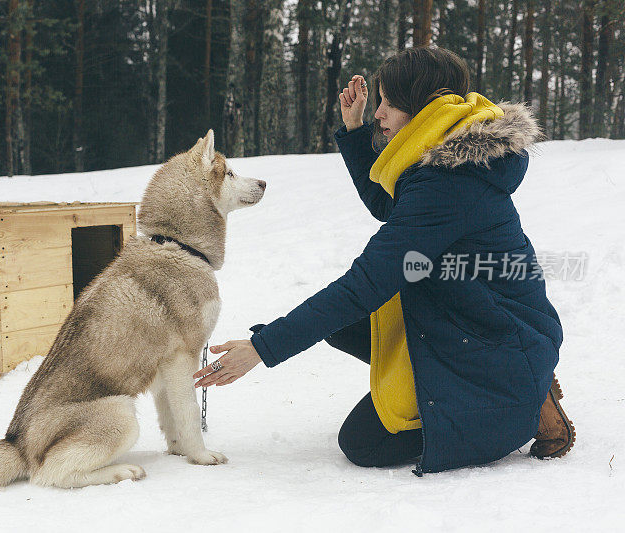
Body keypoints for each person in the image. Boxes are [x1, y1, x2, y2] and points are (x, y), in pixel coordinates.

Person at [192, 46, 575, 475]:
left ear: (423, 111)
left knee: (363, 444)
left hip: (495, 342)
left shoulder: (446, 184)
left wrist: (262, 350)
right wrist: (353, 129)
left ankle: (519, 401)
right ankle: (508, 382)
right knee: (342, 326)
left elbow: (365, 285)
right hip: (476, 317)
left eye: (389, 104)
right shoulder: (448, 160)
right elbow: (391, 206)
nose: (380, 114)